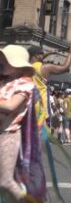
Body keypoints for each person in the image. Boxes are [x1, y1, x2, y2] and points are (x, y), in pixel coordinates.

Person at [0, 45, 38, 201]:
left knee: (6, 182)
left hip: (8, 135)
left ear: (16, 65)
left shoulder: (25, 83)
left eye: (4, 59)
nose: (0, 62)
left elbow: (10, 106)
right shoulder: (3, 81)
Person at [28, 45, 71, 129]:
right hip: (41, 104)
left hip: (29, 103)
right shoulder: (45, 67)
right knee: (42, 133)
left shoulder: (26, 66)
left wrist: (51, 52)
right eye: (41, 53)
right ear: (37, 55)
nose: (43, 55)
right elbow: (65, 68)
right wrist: (70, 53)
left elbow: (39, 56)